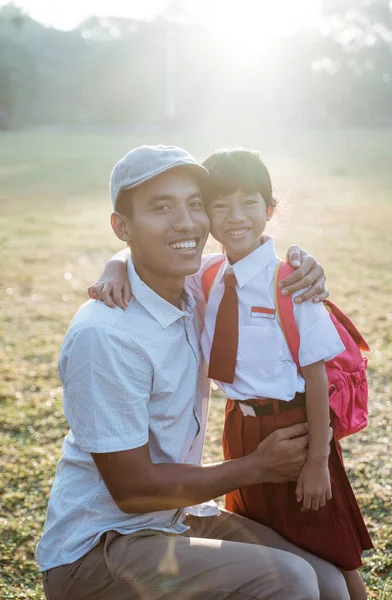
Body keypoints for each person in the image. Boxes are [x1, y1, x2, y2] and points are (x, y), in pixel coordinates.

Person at [37, 145, 351, 600]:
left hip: (175, 516)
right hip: (100, 549)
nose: (187, 223)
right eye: (162, 207)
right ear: (122, 226)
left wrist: (306, 265)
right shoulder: (104, 334)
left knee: (328, 581)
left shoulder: (198, 288)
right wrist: (255, 467)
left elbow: (254, 269)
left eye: (196, 204)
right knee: (292, 582)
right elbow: (132, 491)